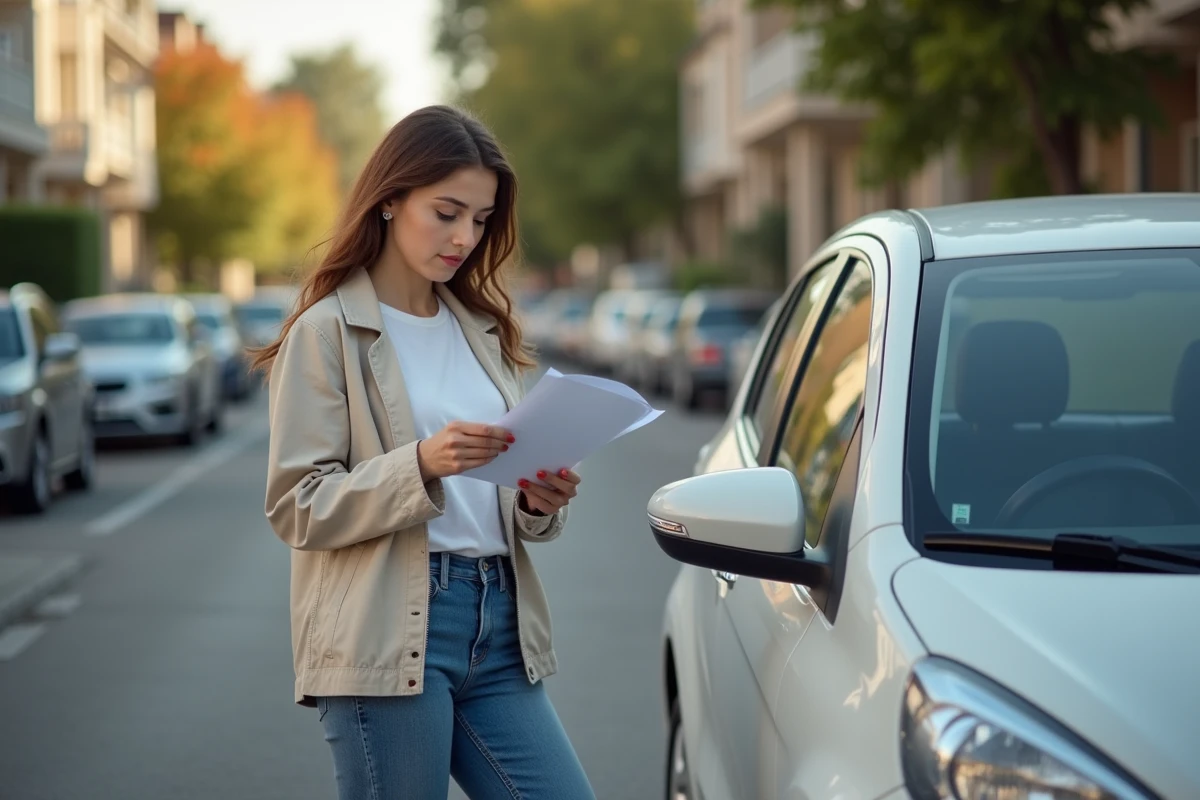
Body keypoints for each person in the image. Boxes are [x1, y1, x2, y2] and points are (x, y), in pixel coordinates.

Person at [253, 105, 595, 799]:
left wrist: (536, 500)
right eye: (446, 212)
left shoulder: (482, 331)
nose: (464, 236)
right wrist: (421, 463)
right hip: (390, 627)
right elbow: (298, 506)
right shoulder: (326, 333)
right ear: (388, 200)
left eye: (479, 219)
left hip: (499, 626)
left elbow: (498, 494)